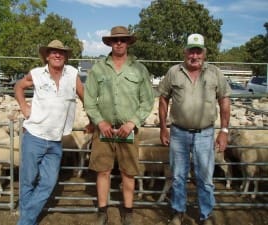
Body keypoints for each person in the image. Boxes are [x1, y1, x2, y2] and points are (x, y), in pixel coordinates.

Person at [84, 26, 154, 225]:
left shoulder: (139, 69)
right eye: (116, 40)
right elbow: (89, 100)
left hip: (128, 130)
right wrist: (100, 121)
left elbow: (147, 101)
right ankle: (102, 210)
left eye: (123, 40)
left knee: (128, 171)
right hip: (104, 130)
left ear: (129, 42)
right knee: (103, 170)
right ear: (109, 43)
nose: (119, 43)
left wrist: (133, 122)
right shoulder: (98, 68)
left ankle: (128, 210)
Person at [158, 34, 231, 225]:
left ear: (204, 53)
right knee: (178, 176)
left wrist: (224, 130)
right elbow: (163, 98)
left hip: (205, 134)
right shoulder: (174, 72)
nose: (195, 55)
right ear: (185, 52)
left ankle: (205, 214)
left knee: (205, 178)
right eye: (191, 51)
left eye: (198, 51)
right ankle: (178, 211)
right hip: (178, 133)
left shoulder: (215, 73)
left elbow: (224, 100)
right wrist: (163, 127)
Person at [15, 40, 89, 225]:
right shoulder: (37, 74)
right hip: (34, 136)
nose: (57, 55)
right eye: (53, 52)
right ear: (47, 56)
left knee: (48, 183)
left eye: (61, 52)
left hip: (56, 140)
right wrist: (24, 106)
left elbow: (84, 96)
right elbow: (18, 87)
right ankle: (27, 221)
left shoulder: (72, 73)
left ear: (65, 56)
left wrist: (94, 120)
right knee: (28, 181)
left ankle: (25, 219)